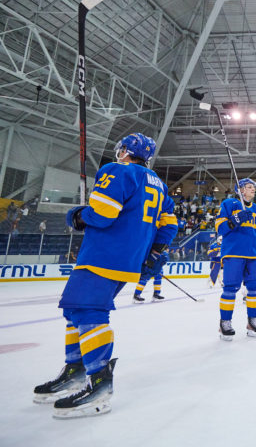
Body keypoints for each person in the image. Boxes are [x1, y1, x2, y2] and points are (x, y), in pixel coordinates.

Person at [33, 133, 177, 417]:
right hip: (126, 260)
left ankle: (99, 383)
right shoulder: (160, 186)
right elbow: (168, 227)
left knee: (88, 312)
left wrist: (77, 215)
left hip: (102, 255)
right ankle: (76, 370)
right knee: (75, 310)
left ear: (125, 151)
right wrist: (153, 254)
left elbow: (102, 214)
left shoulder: (116, 170)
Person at [214, 178, 256, 340]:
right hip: (234, 252)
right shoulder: (229, 204)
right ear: (241, 190)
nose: (253, 190)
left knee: (254, 289)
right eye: (249, 187)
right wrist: (234, 220)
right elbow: (219, 228)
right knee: (230, 288)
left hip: (253, 255)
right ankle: (225, 323)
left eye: (253, 187)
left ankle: (253, 321)